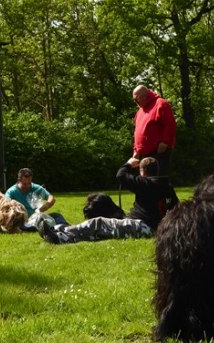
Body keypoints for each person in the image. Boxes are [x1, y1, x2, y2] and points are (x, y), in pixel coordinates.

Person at [36, 157, 178, 244]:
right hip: (149, 227)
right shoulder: (167, 186)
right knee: (102, 227)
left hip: (141, 226)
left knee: (99, 223)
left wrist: (129, 164)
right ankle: (57, 230)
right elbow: (176, 209)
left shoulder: (145, 183)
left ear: (142, 171)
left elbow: (120, 175)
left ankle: (59, 237)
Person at [132, 85, 177, 177]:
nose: (135, 102)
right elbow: (137, 132)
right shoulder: (140, 111)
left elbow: (170, 124)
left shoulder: (160, 103)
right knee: (146, 181)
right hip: (144, 154)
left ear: (145, 95)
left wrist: (165, 142)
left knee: (158, 180)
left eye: (137, 99)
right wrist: (136, 150)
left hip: (158, 152)